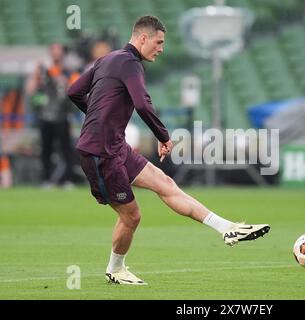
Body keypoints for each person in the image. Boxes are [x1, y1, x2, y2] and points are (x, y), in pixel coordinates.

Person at [67, 15, 270, 285]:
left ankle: (227, 228)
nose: (161, 48)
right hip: (100, 154)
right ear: (142, 38)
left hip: (115, 146)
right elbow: (142, 103)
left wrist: (98, 116)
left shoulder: (108, 59)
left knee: (165, 183)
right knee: (132, 216)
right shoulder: (131, 64)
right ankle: (115, 269)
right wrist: (163, 136)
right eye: (159, 42)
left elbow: (74, 92)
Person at [26, 43, 79, 188]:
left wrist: (62, 80)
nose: (56, 53)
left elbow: (76, 91)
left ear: (63, 53)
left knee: (66, 149)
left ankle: (67, 180)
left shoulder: (69, 71)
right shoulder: (43, 71)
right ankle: (46, 179)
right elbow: (30, 91)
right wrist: (36, 74)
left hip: (63, 116)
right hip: (45, 116)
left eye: (58, 50)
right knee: (46, 149)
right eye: (53, 50)